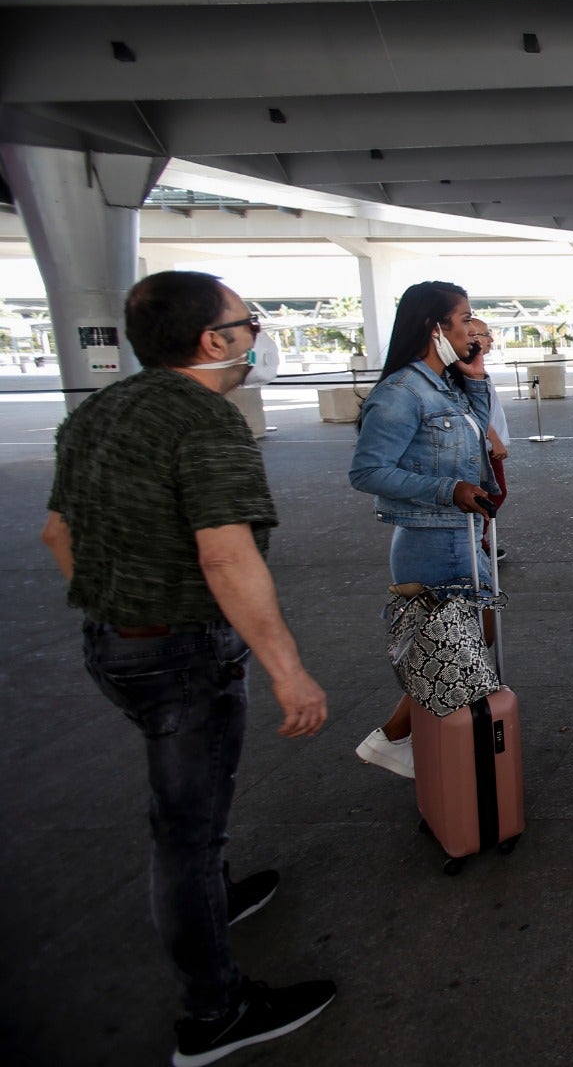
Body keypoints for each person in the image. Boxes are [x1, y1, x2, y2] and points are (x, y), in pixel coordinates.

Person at [41, 270, 336, 1065]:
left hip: (116, 641)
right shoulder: (205, 421)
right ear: (215, 340)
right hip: (179, 651)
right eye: (247, 321)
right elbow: (225, 553)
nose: (254, 333)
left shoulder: (99, 411)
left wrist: (118, 606)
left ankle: (211, 900)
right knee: (186, 832)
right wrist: (288, 670)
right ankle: (214, 1012)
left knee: (190, 810)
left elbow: (57, 533)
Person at [349, 281, 498, 779]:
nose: (472, 328)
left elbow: (482, 443)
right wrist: (446, 489)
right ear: (436, 328)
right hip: (430, 538)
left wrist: (475, 376)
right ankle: (401, 739)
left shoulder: (445, 385)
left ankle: (411, 739)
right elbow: (367, 471)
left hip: (459, 534)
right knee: (452, 645)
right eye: (464, 318)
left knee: (467, 639)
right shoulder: (400, 392)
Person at [466, 318, 511, 561]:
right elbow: (473, 409)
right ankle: (476, 543)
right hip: (481, 447)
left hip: (485, 445)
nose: (490, 339)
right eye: (485, 334)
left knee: (491, 494)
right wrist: (494, 439)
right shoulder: (463, 371)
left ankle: (478, 541)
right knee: (491, 494)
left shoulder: (475, 368)